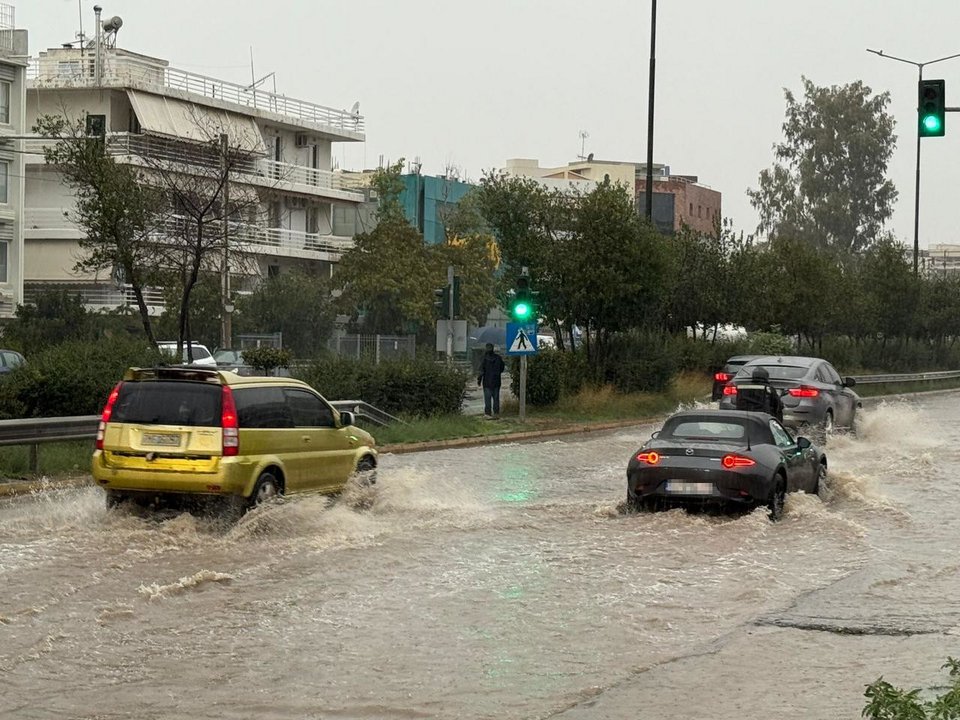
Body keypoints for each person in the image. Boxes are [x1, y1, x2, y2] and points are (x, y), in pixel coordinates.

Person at [477, 343, 506, 417]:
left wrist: (479, 380)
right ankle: (496, 412)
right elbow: (502, 368)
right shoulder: (498, 358)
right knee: (496, 398)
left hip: (487, 381)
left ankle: (488, 413)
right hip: (496, 381)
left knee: (487, 398)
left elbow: (481, 370)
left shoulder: (484, 358)